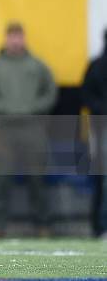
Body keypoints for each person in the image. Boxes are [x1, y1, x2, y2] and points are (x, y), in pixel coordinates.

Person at [0, 21, 57, 238]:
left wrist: (35, 108)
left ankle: (43, 226)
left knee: (37, 178)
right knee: (2, 178)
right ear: (6, 39)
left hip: (32, 127)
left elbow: (51, 91)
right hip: (4, 129)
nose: (15, 40)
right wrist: (1, 108)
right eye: (11, 36)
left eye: (18, 36)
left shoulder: (37, 66)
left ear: (24, 38)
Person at [81, 28, 107, 238]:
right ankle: (99, 226)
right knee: (102, 177)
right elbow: (86, 96)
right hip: (102, 127)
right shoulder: (97, 66)